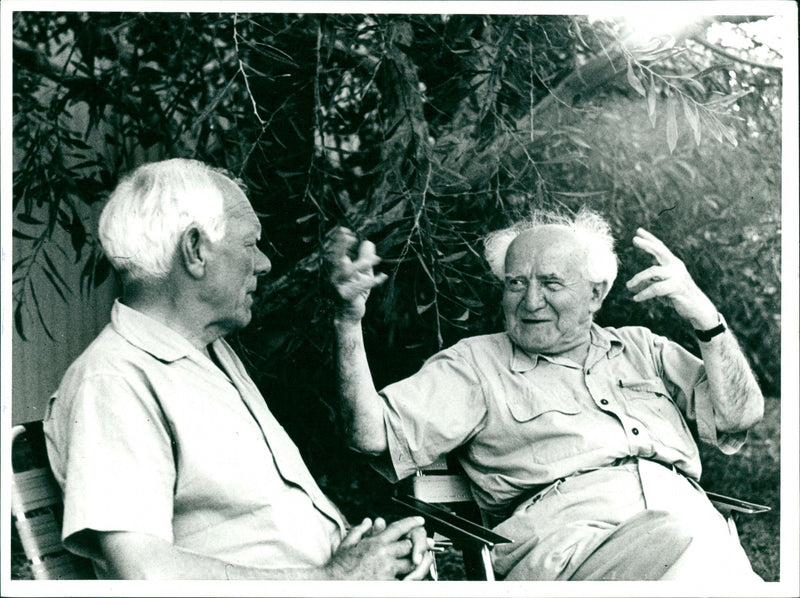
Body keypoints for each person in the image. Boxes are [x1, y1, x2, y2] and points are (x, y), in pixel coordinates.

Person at [43, 158, 433, 580]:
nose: (264, 263)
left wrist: (371, 557)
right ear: (195, 249)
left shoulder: (206, 353)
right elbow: (143, 573)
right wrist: (333, 580)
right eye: (250, 245)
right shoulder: (115, 381)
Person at [327, 207, 765, 581]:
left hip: (687, 536)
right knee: (698, 554)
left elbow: (740, 415)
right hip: (571, 553)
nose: (531, 301)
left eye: (551, 284)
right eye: (516, 283)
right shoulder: (477, 365)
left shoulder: (642, 348)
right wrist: (348, 321)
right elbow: (368, 434)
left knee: (695, 550)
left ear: (596, 293)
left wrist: (708, 320)